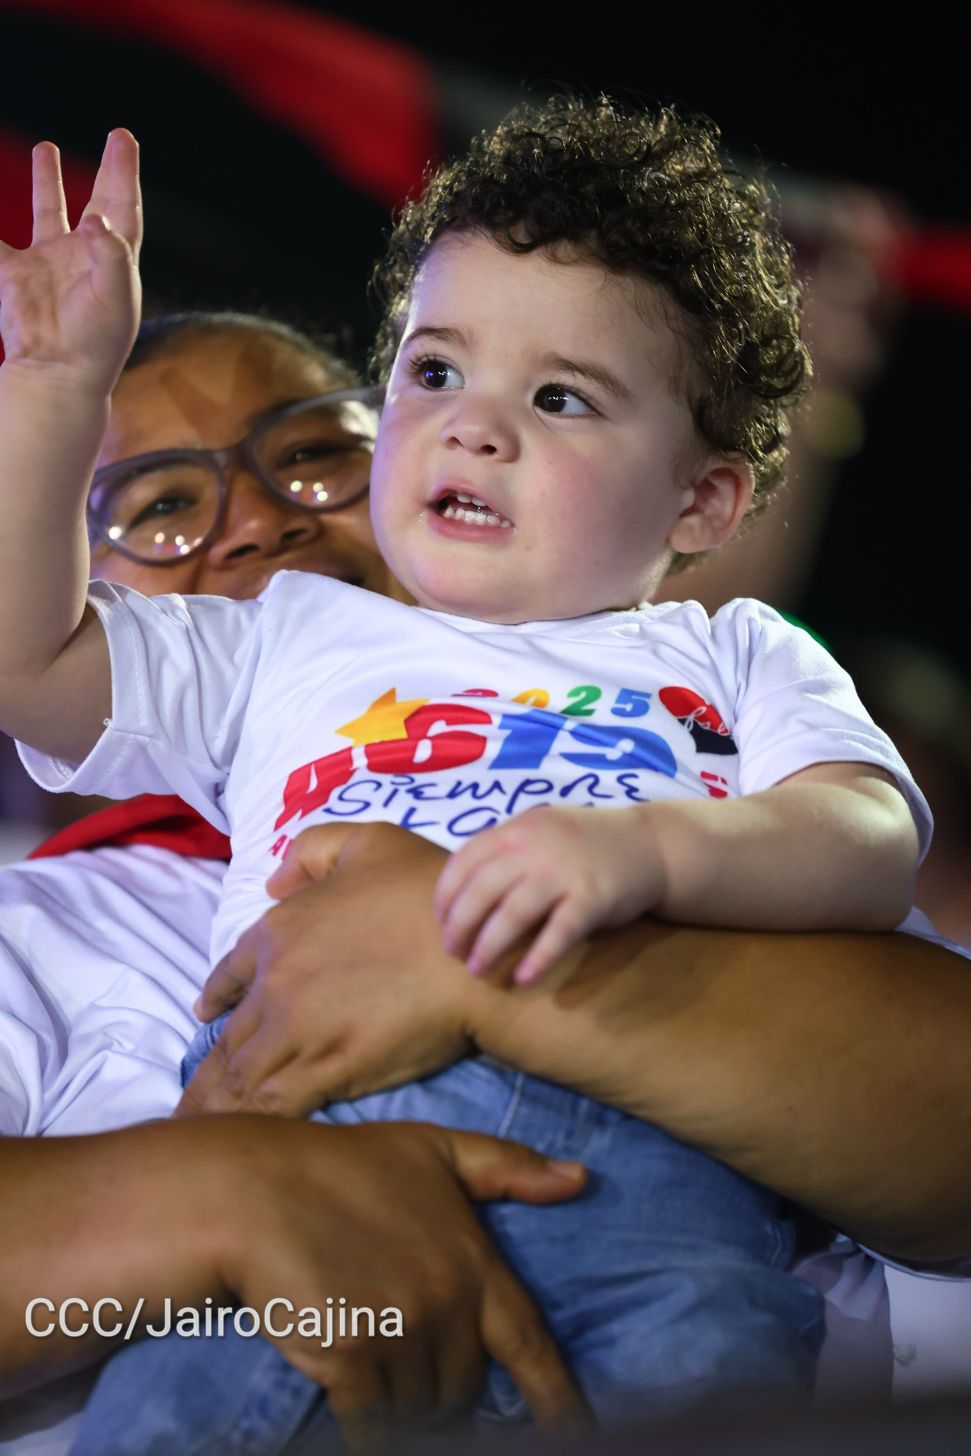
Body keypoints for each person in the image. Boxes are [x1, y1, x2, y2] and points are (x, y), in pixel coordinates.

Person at [0, 91, 937, 1452]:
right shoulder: (285, 643)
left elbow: (866, 831)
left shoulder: (733, 651)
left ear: (703, 501)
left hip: (650, 1207)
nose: (474, 427)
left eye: (558, 397)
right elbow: (27, 657)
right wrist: (48, 394)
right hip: (310, 1167)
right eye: (435, 373)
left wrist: (648, 854)